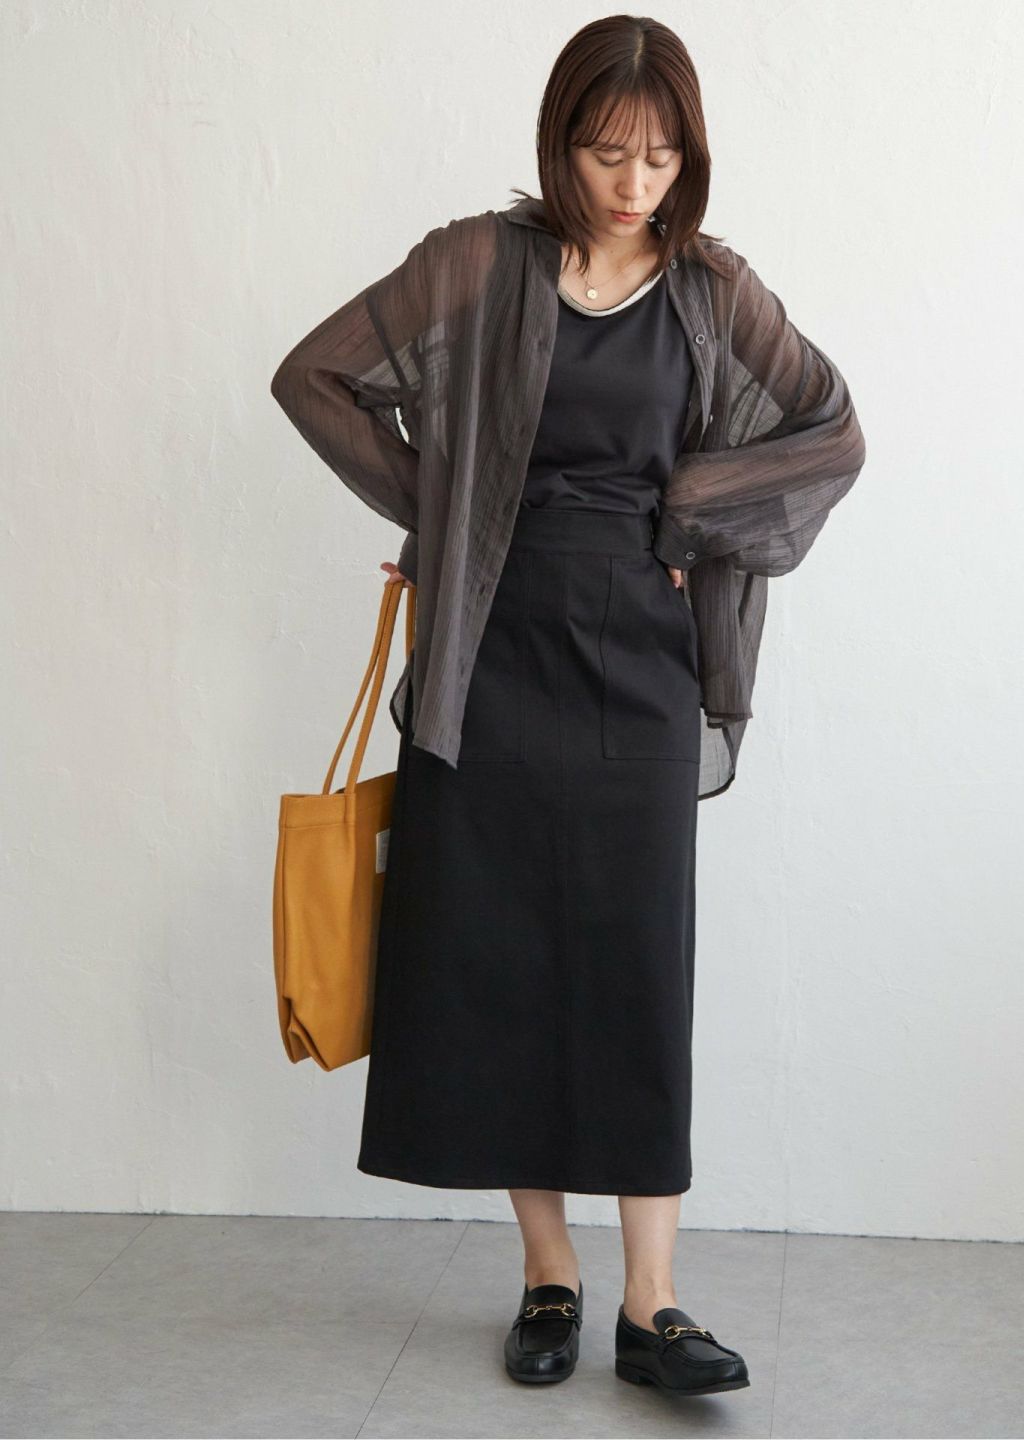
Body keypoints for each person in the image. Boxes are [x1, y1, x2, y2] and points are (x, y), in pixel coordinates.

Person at [270, 14, 866, 1400]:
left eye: (660, 157)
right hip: (492, 652)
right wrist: (448, 514)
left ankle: (655, 1302)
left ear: (689, 156)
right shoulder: (480, 264)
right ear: (560, 144)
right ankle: (551, 1273)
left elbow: (829, 431)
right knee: (498, 960)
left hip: (643, 657)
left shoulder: (714, 292)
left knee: (636, 965)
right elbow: (317, 376)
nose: (633, 182)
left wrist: (694, 507)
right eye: (607, 152)